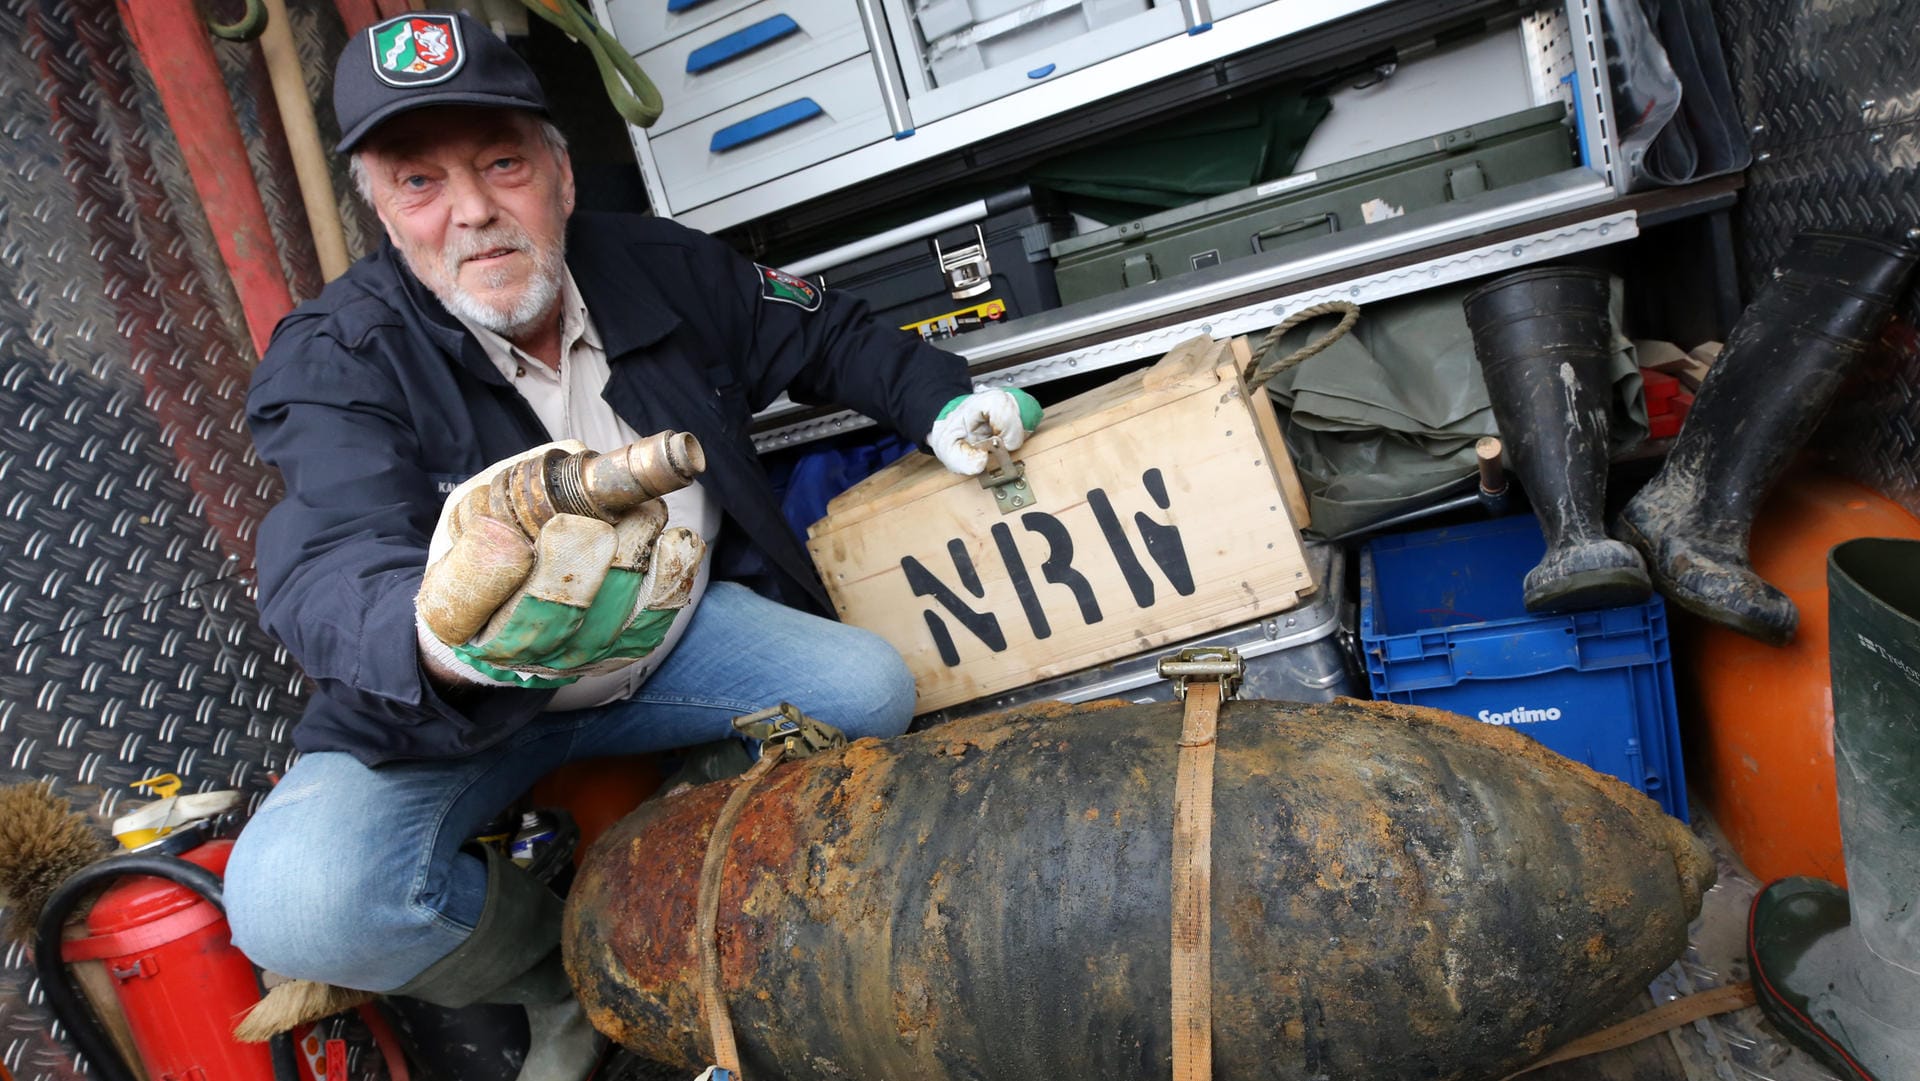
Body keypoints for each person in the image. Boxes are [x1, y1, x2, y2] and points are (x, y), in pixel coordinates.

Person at [222, 12, 1041, 1078]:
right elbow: (324, 558)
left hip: (670, 643)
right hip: (463, 702)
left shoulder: (661, 266)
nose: (473, 212)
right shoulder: (337, 358)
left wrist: (942, 405)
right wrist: (438, 641)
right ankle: (568, 976)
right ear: (382, 214)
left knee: (865, 690)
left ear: (559, 174)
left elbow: (827, 331)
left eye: (502, 163)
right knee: (299, 907)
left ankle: (676, 892)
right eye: (420, 184)